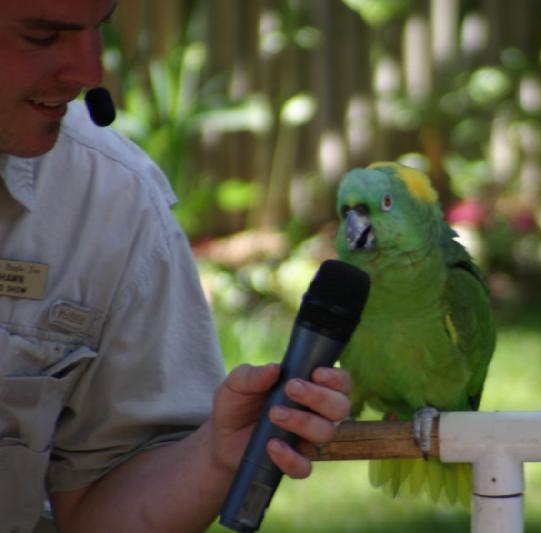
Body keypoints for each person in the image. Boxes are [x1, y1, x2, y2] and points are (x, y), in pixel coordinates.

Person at [0, 1, 352, 531]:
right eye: (43, 36)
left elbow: (97, 509)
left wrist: (214, 455)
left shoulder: (110, 202)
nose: (89, 73)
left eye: (99, 30)